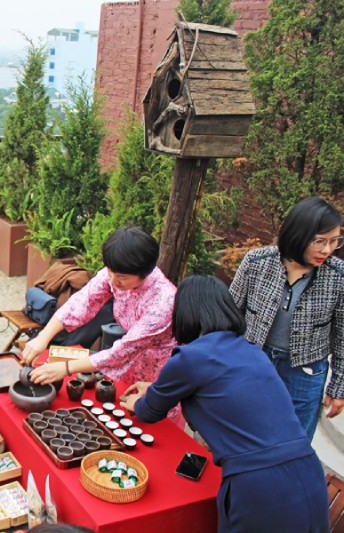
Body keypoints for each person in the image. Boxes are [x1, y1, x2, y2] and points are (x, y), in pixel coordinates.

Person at [122, 276, 329, 532]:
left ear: (184, 313)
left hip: (259, 485)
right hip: (308, 471)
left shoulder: (190, 357)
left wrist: (134, 402)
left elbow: (150, 411)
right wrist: (153, 389)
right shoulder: (252, 351)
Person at [230, 196, 344, 440]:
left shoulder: (338, 276)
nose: (328, 249)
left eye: (335, 241)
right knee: (243, 430)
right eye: (320, 241)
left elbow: (343, 337)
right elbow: (229, 315)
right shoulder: (258, 262)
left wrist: (338, 387)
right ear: (298, 235)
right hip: (254, 360)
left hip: (304, 372)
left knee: (293, 441)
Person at [22, 226, 177, 397]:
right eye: (110, 271)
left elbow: (122, 351)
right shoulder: (117, 272)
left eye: (122, 277)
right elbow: (83, 301)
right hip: (126, 365)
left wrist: (66, 368)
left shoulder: (163, 303)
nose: (112, 280)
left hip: (156, 374)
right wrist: (43, 337)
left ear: (145, 273)